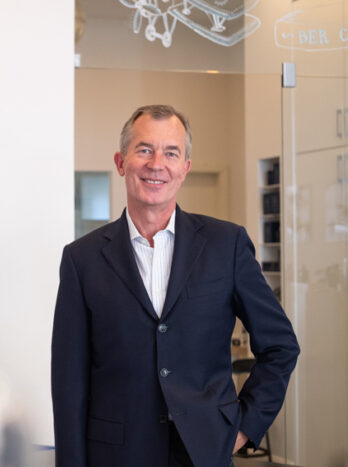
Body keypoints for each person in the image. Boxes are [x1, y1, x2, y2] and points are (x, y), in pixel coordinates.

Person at [51, 105, 300, 467]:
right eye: (144, 150)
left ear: (185, 167)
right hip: (115, 454)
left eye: (171, 153)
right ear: (121, 162)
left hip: (204, 452)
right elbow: (68, 381)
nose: (157, 164)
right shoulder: (81, 259)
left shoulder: (226, 245)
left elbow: (281, 346)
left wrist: (245, 425)